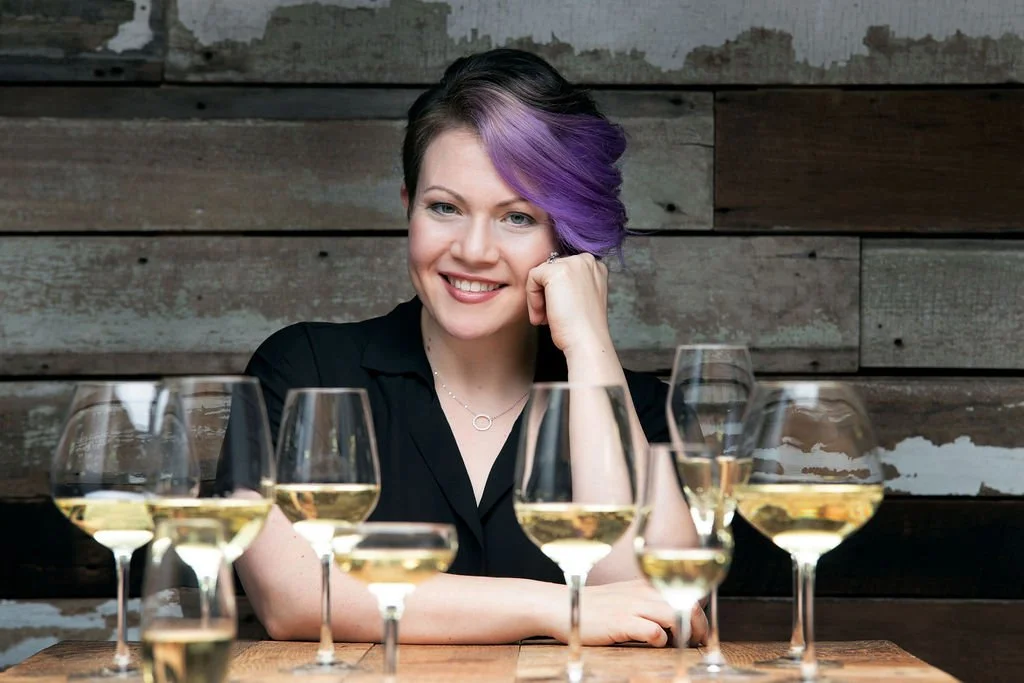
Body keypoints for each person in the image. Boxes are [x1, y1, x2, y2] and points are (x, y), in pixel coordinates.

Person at [235, 48, 707, 648]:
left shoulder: (643, 411)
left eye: (517, 218)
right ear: (409, 207)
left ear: (565, 236)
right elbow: (296, 598)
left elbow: (664, 604)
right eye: (445, 208)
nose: (474, 250)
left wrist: (589, 345)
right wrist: (563, 608)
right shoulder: (302, 369)